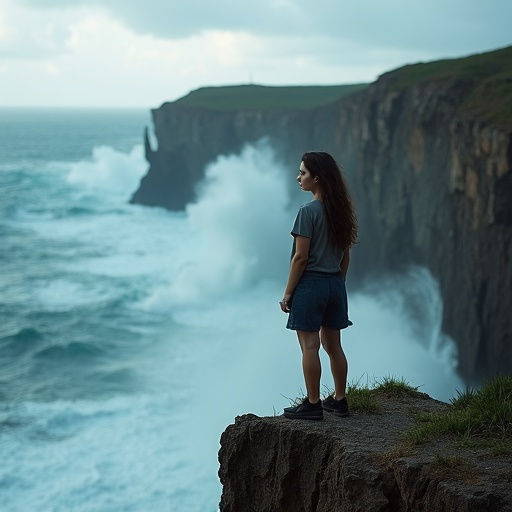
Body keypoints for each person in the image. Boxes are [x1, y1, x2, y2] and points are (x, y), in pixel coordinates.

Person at [279, 151, 358, 421]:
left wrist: (288, 292)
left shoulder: (308, 212)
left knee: (310, 346)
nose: (298, 177)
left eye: (302, 172)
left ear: (317, 178)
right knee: (334, 346)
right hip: (336, 284)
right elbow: (346, 255)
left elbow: (300, 257)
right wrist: (338, 283)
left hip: (311, 284)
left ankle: (312, 404)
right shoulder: (342, 211)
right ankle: (339, 399)